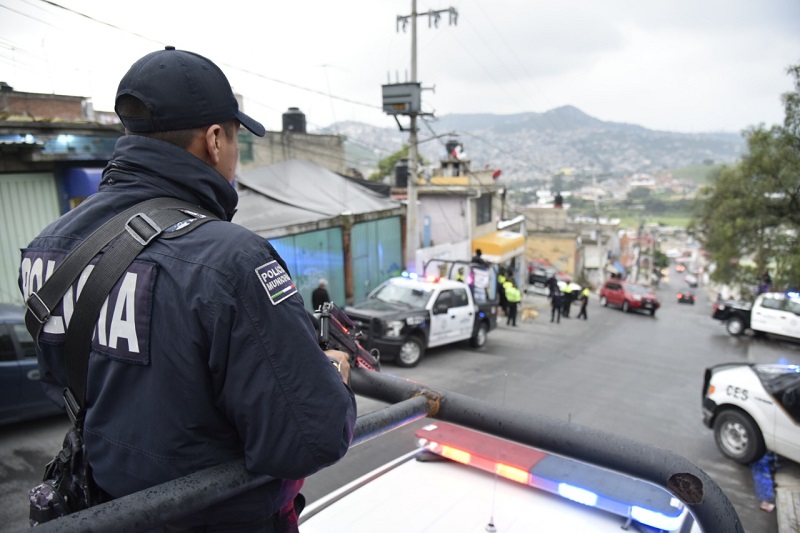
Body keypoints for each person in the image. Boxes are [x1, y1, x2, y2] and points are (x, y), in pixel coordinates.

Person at [18, 47, 356, 532]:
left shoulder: (46, 249)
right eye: (238, 140)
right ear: (215, 140)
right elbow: (309, 438)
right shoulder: (232, 260)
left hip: (108, 511)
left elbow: (63, 381)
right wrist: (334, 372)